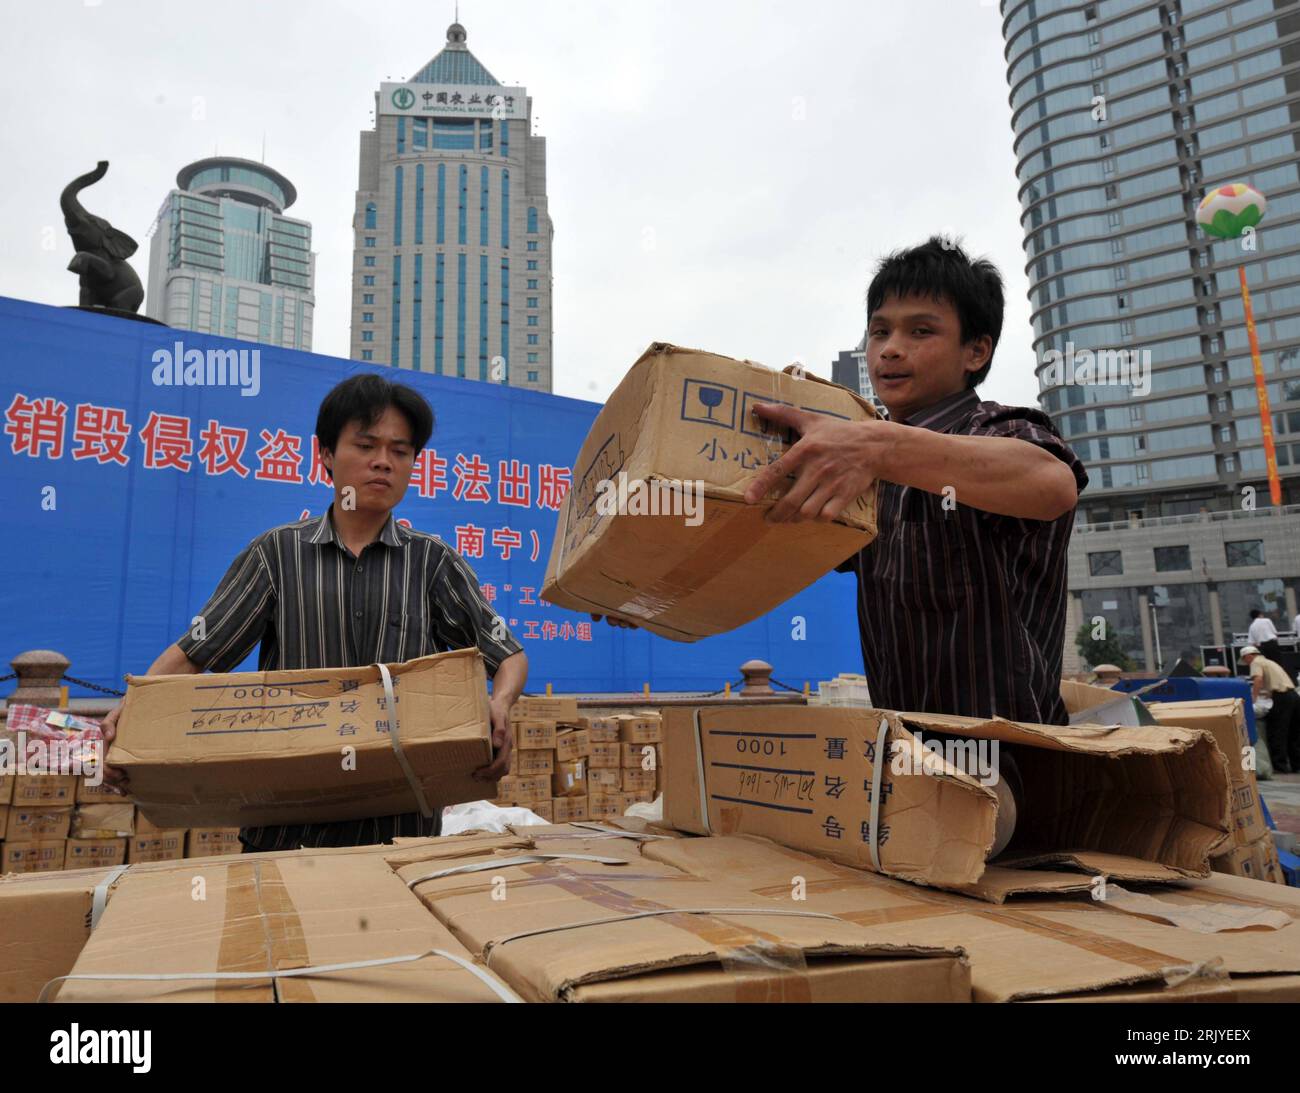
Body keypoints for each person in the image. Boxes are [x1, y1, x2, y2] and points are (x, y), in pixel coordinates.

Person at [595, 237, 1088, 725]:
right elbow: (758, 557)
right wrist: (646, 592)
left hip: (1019, 765)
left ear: (976, 351)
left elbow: (1052, 483)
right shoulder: (857, 475)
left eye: (920, 332)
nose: (890, 350)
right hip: (905, 759)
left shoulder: (996, 431)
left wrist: (874, 446)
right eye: (879, 332)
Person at [102, 373, 527, 850]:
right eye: (365, 446)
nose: (383, 463)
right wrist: (133, 714)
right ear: (326, 454)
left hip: (400, 832)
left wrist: (500, 705)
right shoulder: (276, 555)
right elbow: (197, 652)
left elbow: (506, 653)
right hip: (286, 829)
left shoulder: (431, 561)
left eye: (400, 452)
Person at [1240, 645, 1300, 775]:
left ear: (1248, 656)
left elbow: (1258, 679)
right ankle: (1297, 765)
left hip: (1282, 698)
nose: (1246, 663)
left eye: (1245, 660)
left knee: (1278, 732)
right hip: (1293, 696)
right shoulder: (1269, 662)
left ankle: (1280, 766)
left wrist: (1253, 699)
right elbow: (1276, 683)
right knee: (1293, 733)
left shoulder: (1256, 662)